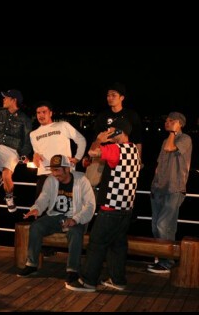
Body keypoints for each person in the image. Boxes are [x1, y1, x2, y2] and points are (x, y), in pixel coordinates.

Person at [66, 119, 141, 292]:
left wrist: (99, 139)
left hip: (111, 207)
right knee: (117, 245)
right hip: (126, 207)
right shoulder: (133, 149)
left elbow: (93, 152)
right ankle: (118, 280)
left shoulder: (116, 149)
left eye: (111, 129)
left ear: (119, 132)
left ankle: (88, 281)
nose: (108, 131)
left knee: (97, 243)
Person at [17, 155, 96, 283]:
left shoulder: (81, 180)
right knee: (36, 226)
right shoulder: (51, 180)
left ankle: (73, 270)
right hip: (55, 216)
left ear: (67, 169)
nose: (54, 173)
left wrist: (75, 219)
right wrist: (36, 208)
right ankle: (32, 264)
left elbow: (90, 205)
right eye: (52, 170)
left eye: (57, 170)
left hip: (76, 216)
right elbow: (43, 198)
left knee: (75, 232)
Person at [148, 112, 192, 274]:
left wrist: (173, 132)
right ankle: (162, 259)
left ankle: (167, 262)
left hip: (173, 189)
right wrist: (154, 185)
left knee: (164, 225)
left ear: (180, 123)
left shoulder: (185, 139)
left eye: (171, 121)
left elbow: (170, 148)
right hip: (158, 188)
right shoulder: (165, 140)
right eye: (166, 120)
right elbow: (159, 165)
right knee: (156, 226)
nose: (167, 122)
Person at [0, 89, 32, 212]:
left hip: (12, 150)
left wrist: (23, 155)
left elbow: (27, 141)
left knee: (7, 175)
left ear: (14, 100)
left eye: (6, 97)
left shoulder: (25, 119)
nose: (3, 99)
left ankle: (9, 196)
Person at [30, 101, 86, 197]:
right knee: (41, 205)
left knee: (64, 205)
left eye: (44, 112)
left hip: (64, 175)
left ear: (50, 113)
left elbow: (81, 140)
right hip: (44, 175)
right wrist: (35, 156)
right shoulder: (33, 134)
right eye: (38, 113)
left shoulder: (63, 125)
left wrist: (77, 158)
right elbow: (37, 153)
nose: (41, 115)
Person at [93, 82, 143, 158]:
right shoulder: (102, 116)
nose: (110, 98)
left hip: (126, 155)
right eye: (108, 95)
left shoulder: (131, 115)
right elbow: (96, 138)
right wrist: (91, 156)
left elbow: (137, 140)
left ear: (122, 98)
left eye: (113, 95)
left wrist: (138, 159)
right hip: (105, 154)